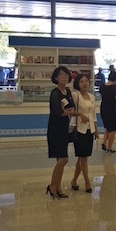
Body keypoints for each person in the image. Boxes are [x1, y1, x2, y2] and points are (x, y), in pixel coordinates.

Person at [47, 66, 85, 199]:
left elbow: (69, 107)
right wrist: (73, 113)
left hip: (64, 128)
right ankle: (52, 186)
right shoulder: (55, 93)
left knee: (60, 158)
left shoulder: (68, 91)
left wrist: (67, 111)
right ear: (56, 77)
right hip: (55, 128)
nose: (65, 77)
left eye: (66, 74)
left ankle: (58, 187)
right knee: (64, 159)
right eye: (62, 74)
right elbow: (58, 112)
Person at [70, 73, 99, 193]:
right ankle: (87, 181)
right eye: (81, 81)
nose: (84, 83)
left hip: (89, 129)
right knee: (83, 157)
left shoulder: (92, 96)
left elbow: (93, 115)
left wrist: (96, 131)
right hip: (79, 129)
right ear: (77, 83)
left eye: (86, 81)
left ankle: (74, 180)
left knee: (83, 156)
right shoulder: (75, 95)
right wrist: (79, 115)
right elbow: (70, 110)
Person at [99, 70, 116, 153]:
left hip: (103, 108)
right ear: (115, 79)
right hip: (111, 110)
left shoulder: (102, 86)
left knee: (108, 128)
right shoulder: (113, 88)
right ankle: (110, 147)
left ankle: (104, 143)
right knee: (112, 129)